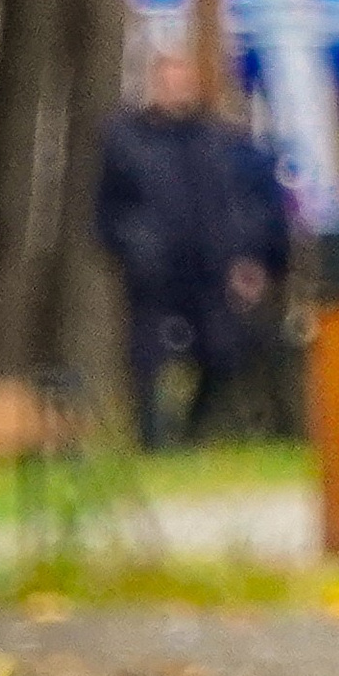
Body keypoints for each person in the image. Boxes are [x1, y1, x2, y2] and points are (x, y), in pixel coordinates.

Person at [95, 45, 291, 450]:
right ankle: (153, 442)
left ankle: (189, 435)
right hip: (154, 273)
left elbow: (243, 205)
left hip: (212, 270)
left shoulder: (216, 140)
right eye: (166, 78)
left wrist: (249, 259)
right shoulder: (126, 140)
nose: (173, 88)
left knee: (222, 354)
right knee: (149, 359)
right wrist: (137, 249)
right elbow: (109, 209)